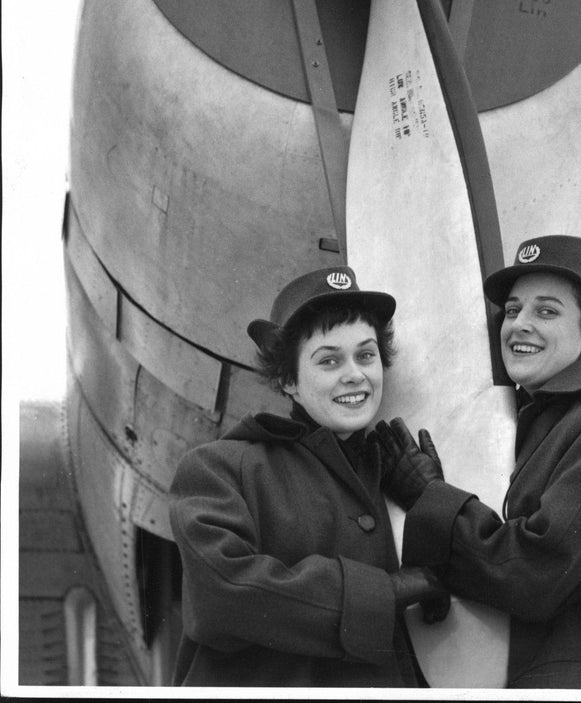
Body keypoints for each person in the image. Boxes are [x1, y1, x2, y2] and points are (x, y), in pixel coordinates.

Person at [373, 235, 581, 690]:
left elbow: (536, 573)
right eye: (512, 310)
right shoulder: (539, 422)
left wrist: (429, 496)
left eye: (546, 311)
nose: (519, 324)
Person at [169, 265, 449, 688]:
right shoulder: (219, 467)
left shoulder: (395, 471)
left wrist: (433, 498)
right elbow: (221, 592)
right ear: (288, 379)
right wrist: (383, 593)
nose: (354, 373)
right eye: (329, 360)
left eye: (366, 355)